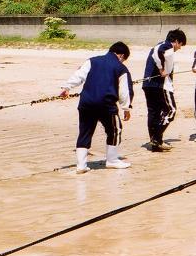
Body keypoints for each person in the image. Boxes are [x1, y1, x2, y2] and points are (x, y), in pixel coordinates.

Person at [60, 41, 134, 173]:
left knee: (85, 132)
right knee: (115, 129)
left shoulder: (92, 61)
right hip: (106, 104)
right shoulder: (121, 68)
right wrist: (126, 108)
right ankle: (112, 160)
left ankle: (81, 165)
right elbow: (125, 91)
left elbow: (79, 75)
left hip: (86, 102)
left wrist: (67, 88)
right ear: (121, 55)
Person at [142, 28, 187, 152]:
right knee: (171, 110)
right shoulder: (166, 45)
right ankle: (156, 138)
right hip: (160, 86)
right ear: (176, 41)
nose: (180, 48)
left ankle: (156, 143)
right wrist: (161, 69)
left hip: (148, 84)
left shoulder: (162, 46)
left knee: (154, 113)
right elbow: (157, 52)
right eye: (181, 45)